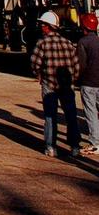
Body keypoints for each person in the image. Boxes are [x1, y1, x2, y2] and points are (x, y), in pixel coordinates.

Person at [30, 10, 81, 158]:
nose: (41, 27)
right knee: (71, 115)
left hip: (49, 84)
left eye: (42, 25)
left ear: (48, 26)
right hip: (67, 86)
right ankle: (75, 147)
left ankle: (51, 147)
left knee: (50, 116)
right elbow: (76, 65)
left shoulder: (42, 43)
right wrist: (72, 79)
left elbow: (35, 63)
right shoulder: (68, 43)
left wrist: (39, 74)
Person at [77, 11, 99, 155]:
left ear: (83, 26)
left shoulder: (82, 42)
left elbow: (81, 64)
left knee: (91, 113)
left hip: (88, 83)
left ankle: (95, 143)